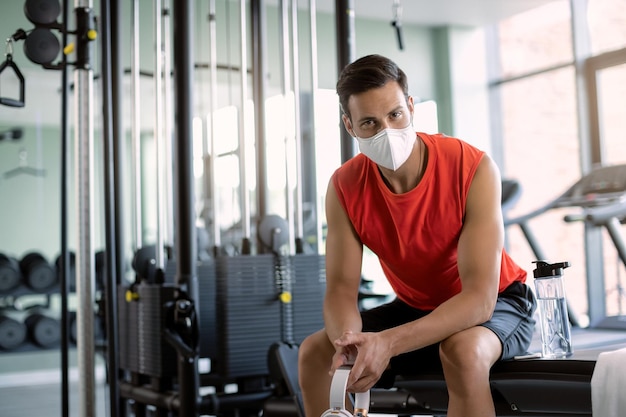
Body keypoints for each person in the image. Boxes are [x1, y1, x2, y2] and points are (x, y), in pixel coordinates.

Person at [298, 54, 536, 417]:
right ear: (350, 127)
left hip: (501, 303)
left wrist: (387, 343)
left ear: (410, 107)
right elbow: (341, 290)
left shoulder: (472, 167)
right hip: (419, 306)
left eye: (395, 115)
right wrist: (349, 346)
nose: (386, 131)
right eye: (369, 123)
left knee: (462, 351)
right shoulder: (344, 186)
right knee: (316, 354)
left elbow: (479, 299)